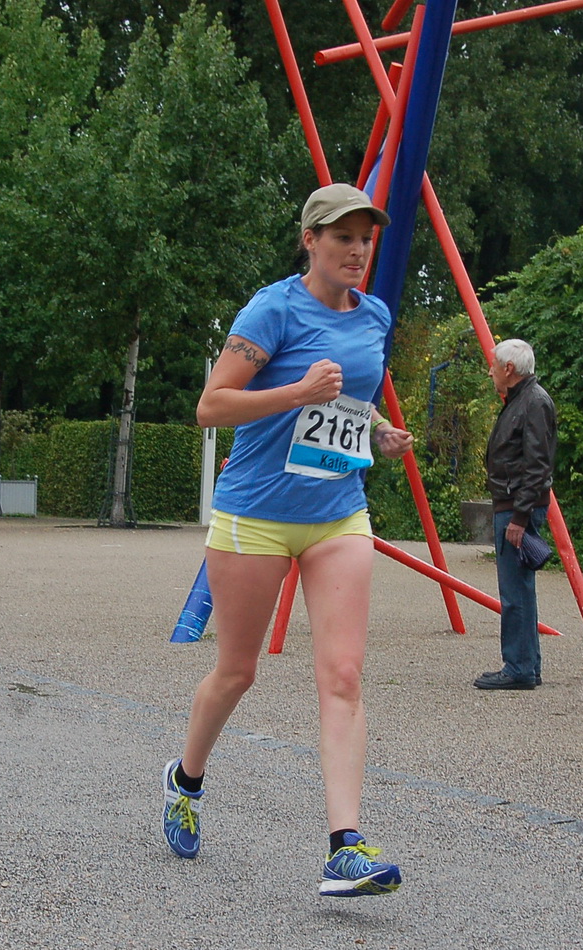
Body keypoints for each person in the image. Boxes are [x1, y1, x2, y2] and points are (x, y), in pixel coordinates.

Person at [162, 183, 415, 897]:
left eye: (366, 237)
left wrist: (374, 434)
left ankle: (345, 845)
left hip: (339, 510)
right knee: (237, 671)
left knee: (342, 675)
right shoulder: (271, 308)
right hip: (256, 516)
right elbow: (211, 406)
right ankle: (186, 780)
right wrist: (295, 391)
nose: (358, 250)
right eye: (342, 238)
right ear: (310, 241)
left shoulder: (375, 315)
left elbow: (348, 404)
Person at [473, 338, 557, 691]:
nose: (490, 370)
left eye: (494, 364)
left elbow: (537, 463)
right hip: (514, 503)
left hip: (516, 506)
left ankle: (519, 666)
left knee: (514, 590)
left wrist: (520, 517)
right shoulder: (525, 400)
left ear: (509, 369)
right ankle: (526, 663)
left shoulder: (532, 402)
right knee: (519, 587)